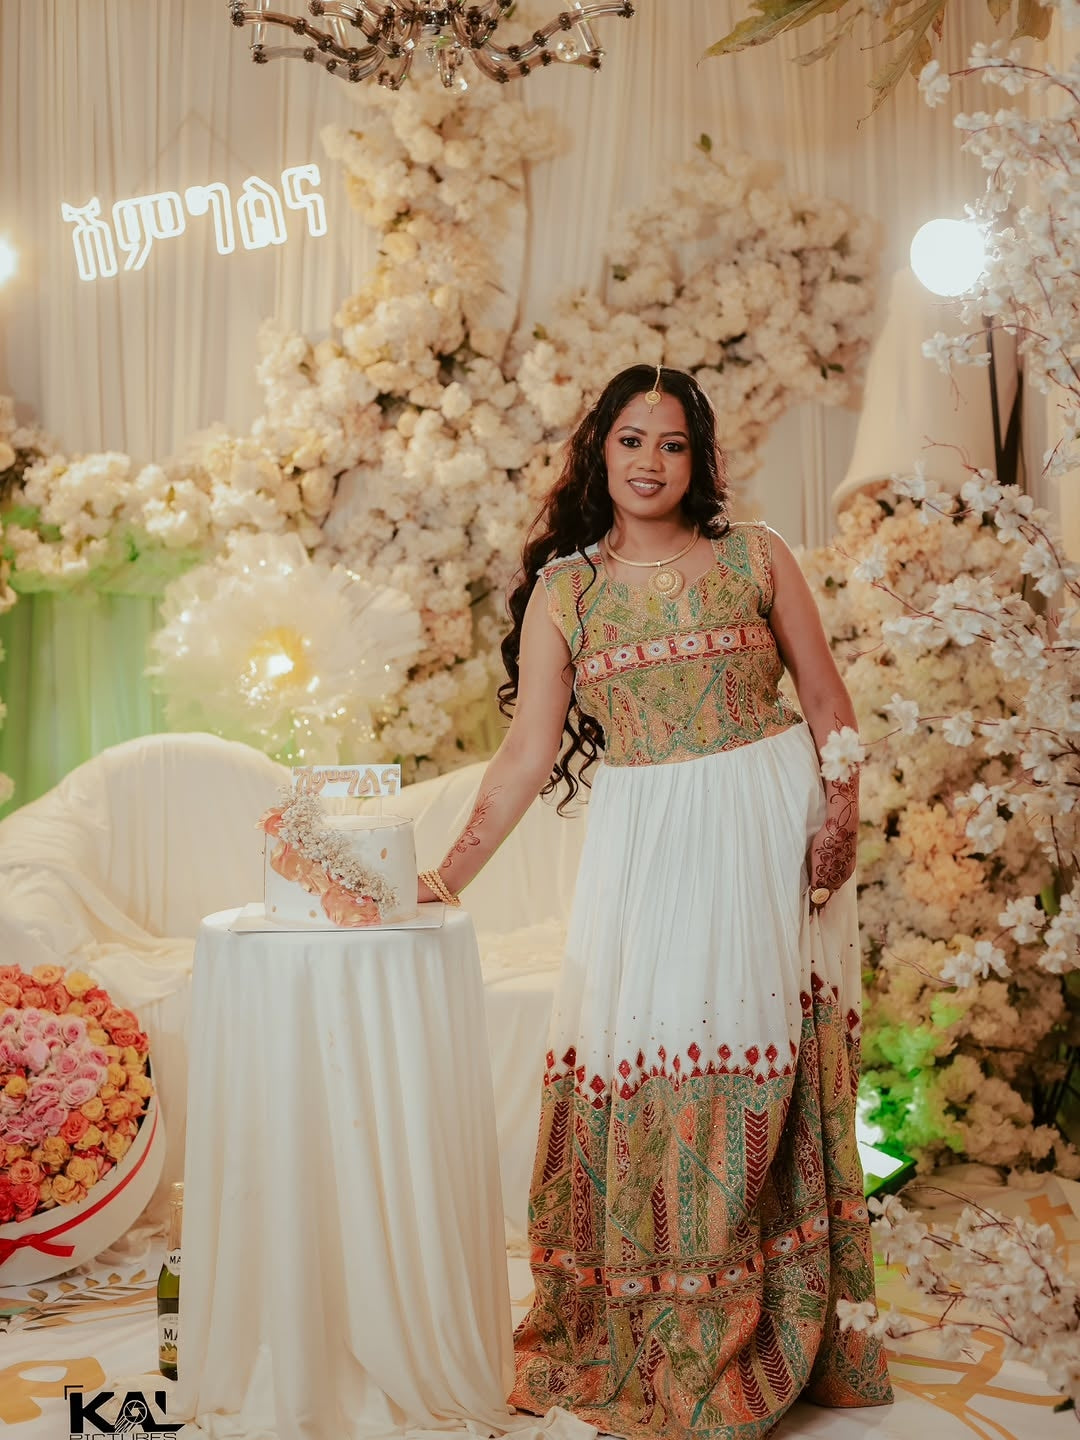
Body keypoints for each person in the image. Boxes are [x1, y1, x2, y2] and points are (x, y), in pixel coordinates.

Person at [417, 364, 893, 1438]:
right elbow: (524, 758)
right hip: (647, 846)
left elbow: (827, 703)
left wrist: (840, 817)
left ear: (700, 459)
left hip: (765, 825)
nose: (649, 462)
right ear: (601, 451)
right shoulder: (567, 591)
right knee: (662, 1058)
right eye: (631, 440)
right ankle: (661, 1319)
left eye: (672, 444)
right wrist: (443, 875)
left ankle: (768, 1318)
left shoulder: (757, 557)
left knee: (759, 1057)